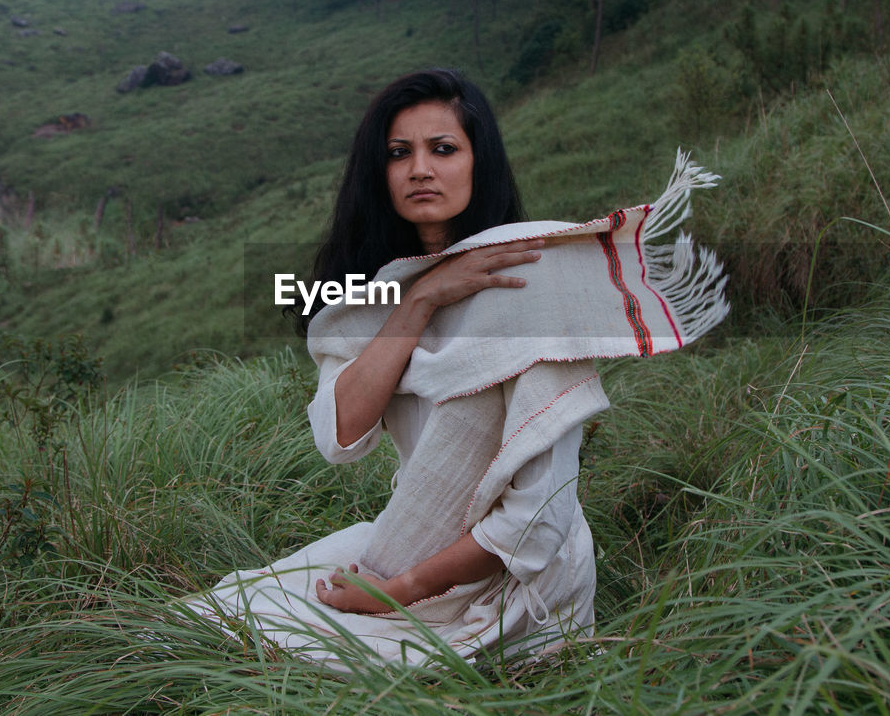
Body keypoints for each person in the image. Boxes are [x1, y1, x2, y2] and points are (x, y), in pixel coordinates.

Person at [183, 69, 728, 669]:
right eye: (399, 153)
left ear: (478, 162)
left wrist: (402, 591)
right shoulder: (384, 293)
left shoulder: (530, 282)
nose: (420, 168)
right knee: (210, 621)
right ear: (379, 174)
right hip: (410, 540)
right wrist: (422, 300)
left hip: (517, 582)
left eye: (443, 149)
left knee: (296, 659)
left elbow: (537, 523)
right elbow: (339, 435)